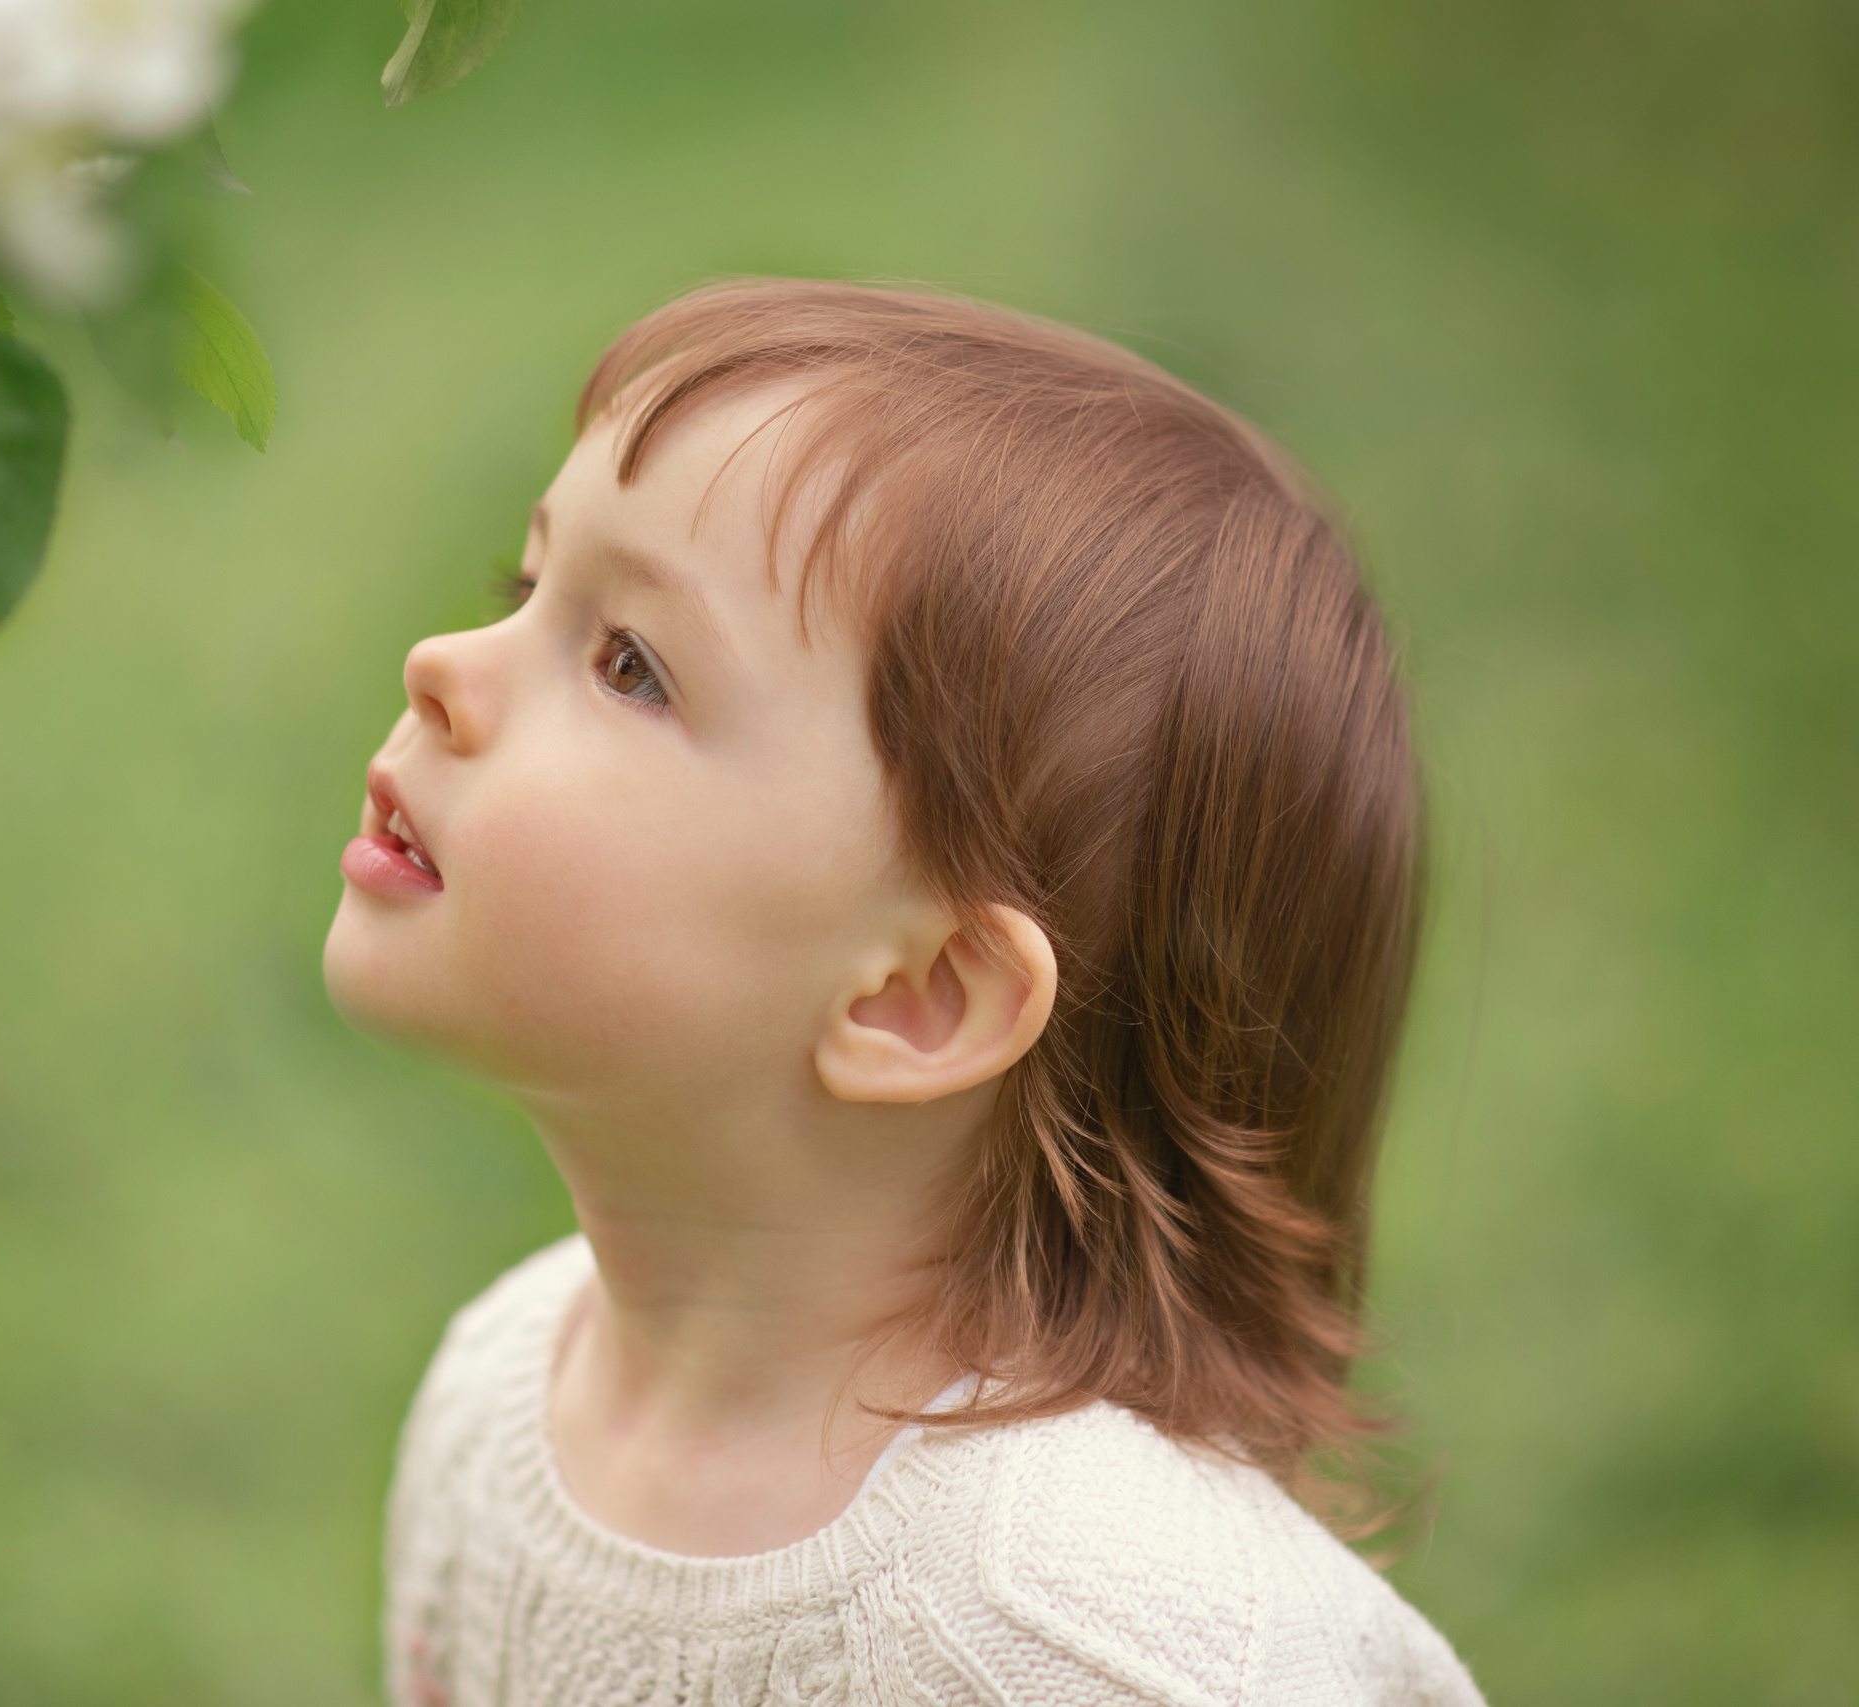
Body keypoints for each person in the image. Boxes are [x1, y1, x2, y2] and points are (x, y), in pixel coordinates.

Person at [322, 279, 1484, 1707]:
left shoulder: (1108, 1643)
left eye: (631, 666)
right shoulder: (496, 1398)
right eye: (527, 589)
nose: (441, 668)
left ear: (921, 997)